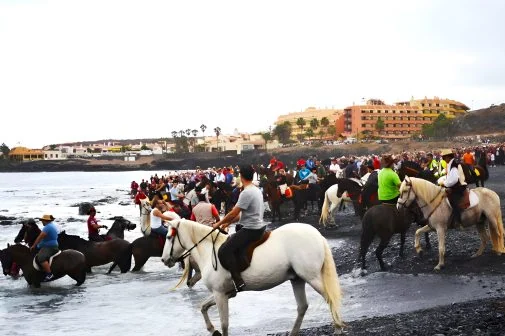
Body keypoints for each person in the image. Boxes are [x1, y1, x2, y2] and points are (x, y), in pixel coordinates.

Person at [214, 165, 266, 292]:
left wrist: (218, 223)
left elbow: (233, 212)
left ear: (241, 177)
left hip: (250, 230)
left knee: (224, 251)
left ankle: (238, 281)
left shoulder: (246, 192)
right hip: (258, 227)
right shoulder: (256, 190)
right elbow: (242, 214)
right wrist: (228, 223)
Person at [440, 148, 467, 226]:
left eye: (444, 158)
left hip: (458, 186)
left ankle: (458, 221)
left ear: (448, 157)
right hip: (454, 185)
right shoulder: (450, 164)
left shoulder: (454, 165)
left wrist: (444, 183)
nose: (444, 160)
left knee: (454, 201)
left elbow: (454, 180)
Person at [31, 214, 59, 282]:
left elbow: (40, 237)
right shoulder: (53, 226)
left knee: (41, 258)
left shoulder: (47, 227)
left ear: (46, 221)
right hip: (51, 245)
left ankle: (49, 274)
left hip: (49, 247)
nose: (42, 222)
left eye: (42, 221)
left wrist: (34, 245)